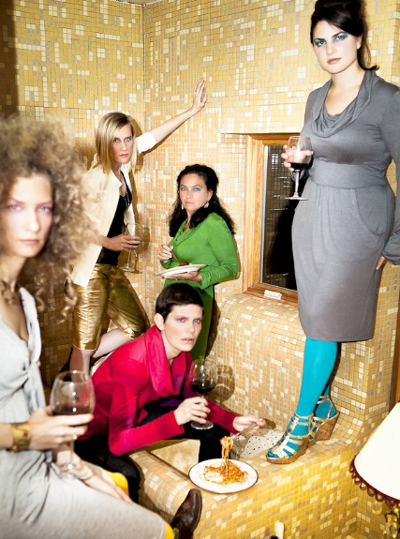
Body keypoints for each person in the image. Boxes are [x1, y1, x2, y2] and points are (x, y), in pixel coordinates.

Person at [0, 115, 202, 539]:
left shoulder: (21, 300)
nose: (34, 222)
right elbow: (26, 428)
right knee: (156, 538)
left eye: (45, 207)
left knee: (118, 484)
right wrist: (26, 434)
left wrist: (76, 465)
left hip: (38, 469)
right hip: (11, 498)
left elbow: (29, 410)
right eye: (15, 206)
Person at [267, 0, 400, 464]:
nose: (330, 49)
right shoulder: (313, 98)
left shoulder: (389, 99)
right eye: (320, 41)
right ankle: (324, 405)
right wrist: (298, 163)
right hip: (312, 215)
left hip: (358, 223)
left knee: (322, 321)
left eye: (339, 37)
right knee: (315, 317)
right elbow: (310, 157)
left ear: (359, 38)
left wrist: (395, 244)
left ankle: (300, 422)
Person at [75, 283, 265, 499]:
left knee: (216, 430)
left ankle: (210, 496)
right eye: (181, 320)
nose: (191, 330)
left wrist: (232, 420)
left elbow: (193, 398)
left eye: (197, 321)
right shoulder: (133, 364)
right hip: (90, 433)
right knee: (129, 476)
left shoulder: (181, 352)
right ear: (160, 321)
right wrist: (175, 418)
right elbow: (118, 443)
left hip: (137, 413)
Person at [69, 80, 207, 374]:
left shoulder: (123, 168)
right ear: (104, 142)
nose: (124, 146)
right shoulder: (95, 177)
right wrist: (109, 242)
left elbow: (151, 138)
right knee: (84, 344)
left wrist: (191, 110)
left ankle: (83, 363)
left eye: (128, 139)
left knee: (135, 327)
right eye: (116, 140)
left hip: (110, 268)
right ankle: (78, 385)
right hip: (90, 269)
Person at [158, 164, 238, 359]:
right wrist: (166, 259)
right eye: (183, 188)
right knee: (166, 361)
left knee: (186, 362)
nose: (188, 195)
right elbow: (182, 262)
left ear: (209, 194)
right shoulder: (185, 223)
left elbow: (231, 268)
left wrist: (200, 277)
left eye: (196, 189)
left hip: (193, 301)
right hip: (172, 298)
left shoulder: (213, 223)